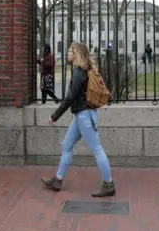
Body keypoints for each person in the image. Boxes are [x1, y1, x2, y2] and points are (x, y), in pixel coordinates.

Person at [41, 42, 115, 197]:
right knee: (67, 145)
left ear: (76, 54)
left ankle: (108, 184)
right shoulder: (84, 69)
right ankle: (57, 180)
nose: (68, 53)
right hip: (82, 115)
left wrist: (54, 116)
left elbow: (70, 98)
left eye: (70, 51)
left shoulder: (78, 72)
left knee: (96, 149)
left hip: (84, 116)